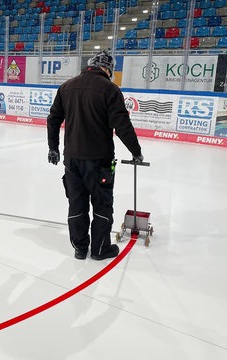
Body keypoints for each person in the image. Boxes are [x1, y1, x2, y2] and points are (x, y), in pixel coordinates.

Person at [46, 49, 143, 261]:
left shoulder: (67, 86)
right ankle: (99, 250)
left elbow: (53, 119)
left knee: (77, 203)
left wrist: (53, 147)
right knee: (102, 204)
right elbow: (122, 125)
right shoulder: (110, 89)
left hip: (72, 159)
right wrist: (136, 152)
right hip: (100, 161)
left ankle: (80, 248)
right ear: (107, 68)